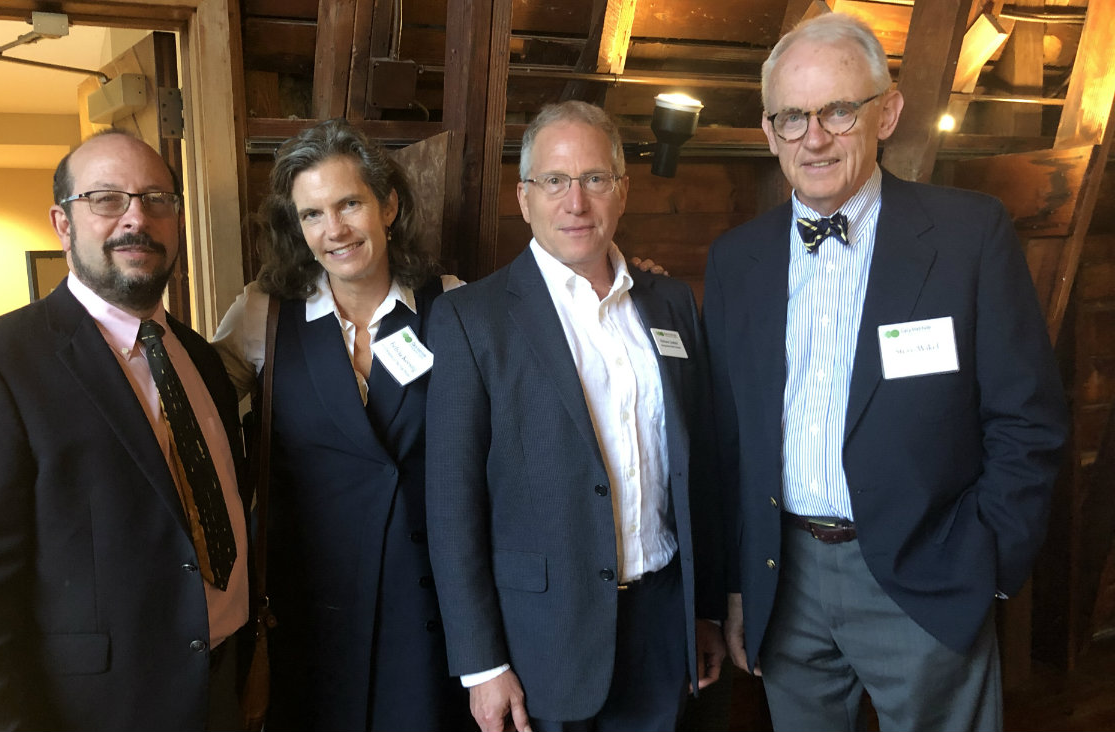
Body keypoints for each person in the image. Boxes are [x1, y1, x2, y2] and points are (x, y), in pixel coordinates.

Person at [702, 12, 1069, 731]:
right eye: (792, 117)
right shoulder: (734, 259)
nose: (815, 136)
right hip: (786, 579)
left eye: (839, 109)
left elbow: (1029, 421)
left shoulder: (970, 235)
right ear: (770, 130)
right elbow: (726, 438)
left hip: (928, 571)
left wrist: (985, 566)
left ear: (888, 112)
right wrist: (740, 586)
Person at [0, 130, 250, 731]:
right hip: (92, 712)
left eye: (156, 199)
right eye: (105, 199)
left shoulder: (201, 360)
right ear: (62, 223)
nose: (136, 219)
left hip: (222, 691)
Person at [425, 100, 726, 732]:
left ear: (623, 191)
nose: (576, 202)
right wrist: (481, 665)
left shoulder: (670, 302)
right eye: (555, 181)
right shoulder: (472, 320)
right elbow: (452, 506)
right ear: (524, 197)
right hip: (541, 641)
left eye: (594, 179)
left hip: (661, 623)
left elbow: (698, 467)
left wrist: (703, 611)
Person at [211, 119, 471, 732]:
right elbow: (198, 416)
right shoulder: (262, 315)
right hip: (308, 607)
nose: (335, 231)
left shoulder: (453, 302)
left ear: (388, 205)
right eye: (312, 214)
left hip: (428, 604)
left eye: (350, 203)